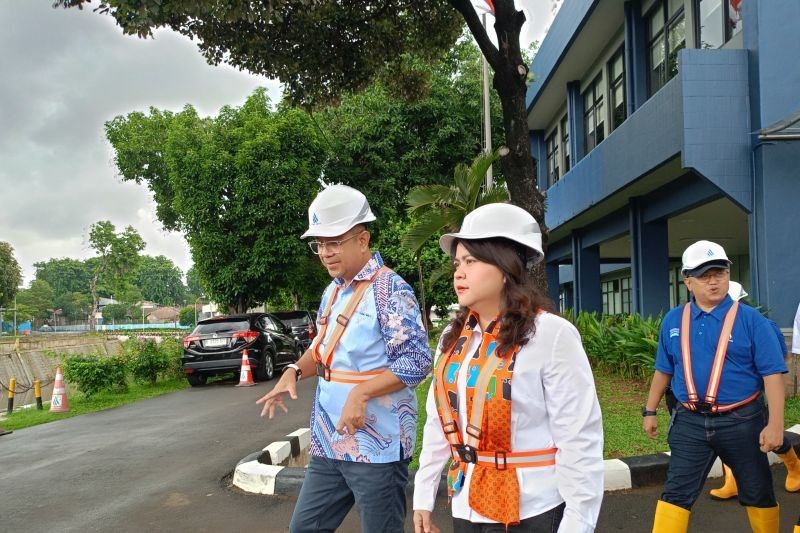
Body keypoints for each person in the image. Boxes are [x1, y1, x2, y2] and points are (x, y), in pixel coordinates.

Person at [412, 203, 604, 533]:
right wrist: (423, 494)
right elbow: (439, 420)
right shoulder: (453, 337)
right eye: (457, 262)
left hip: (532, 508)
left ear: (505, 268)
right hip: (466, 501)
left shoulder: (550, 335)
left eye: (471, 261)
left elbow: (579, 438)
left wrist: (578, 523)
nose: (458, 272)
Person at [256, 184, 431, 533]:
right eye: (319, 244)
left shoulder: (390, 289)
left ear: (363, 239)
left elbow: (417, 359)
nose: (325, 252)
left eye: (334, 242)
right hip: (328, 440)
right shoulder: (333, 290)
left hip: (377, 444)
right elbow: (322, 347)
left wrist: (361, 392)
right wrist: (293, 369)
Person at [643, 240, 787, 532]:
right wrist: (649, 410)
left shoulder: (751, 321)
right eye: (704, 275)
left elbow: (773, 374)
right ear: (688, 281)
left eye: (719, 273)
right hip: (689, 421)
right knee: (675, 494)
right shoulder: (674, 319)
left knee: (758, 492)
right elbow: (664, 369)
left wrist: (775, 424)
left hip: (742, 420)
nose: (714, 281)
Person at [706, 282, 800, 499]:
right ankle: (732, 481)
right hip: (718, 397)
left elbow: (777, 363)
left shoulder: (761, 324)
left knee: (763, 433)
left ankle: (794, 466)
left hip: (752, 396)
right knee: (724, 437)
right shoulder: (709, 325)